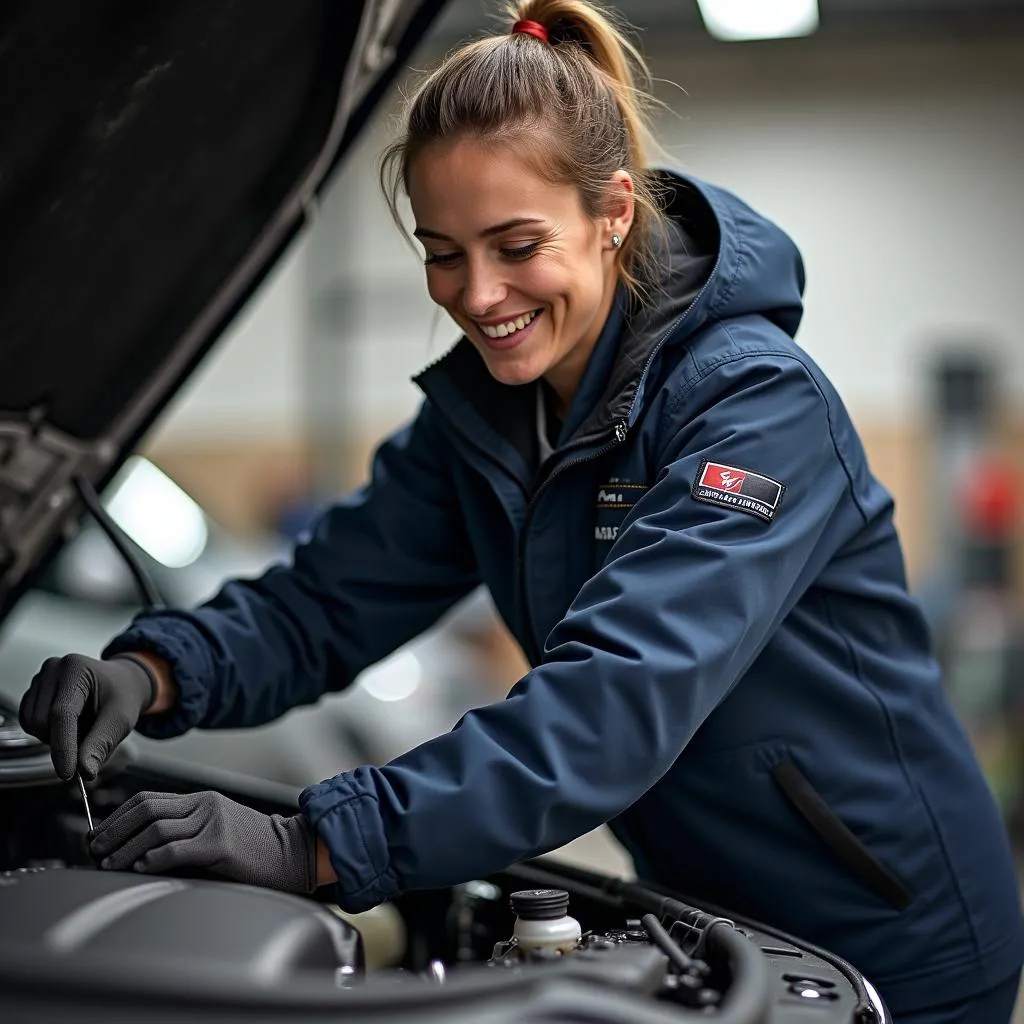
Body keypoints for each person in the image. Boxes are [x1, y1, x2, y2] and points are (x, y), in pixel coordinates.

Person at [18, 2, 1023, 1020]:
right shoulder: (489, 415)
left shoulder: (753, 408)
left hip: (890, 939)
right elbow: (323, 601)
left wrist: (315, 845)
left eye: (515, 243)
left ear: (615, 211)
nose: (478, 293)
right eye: (442, 251)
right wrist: (149, 672)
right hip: (704, 913)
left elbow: (611, 703)